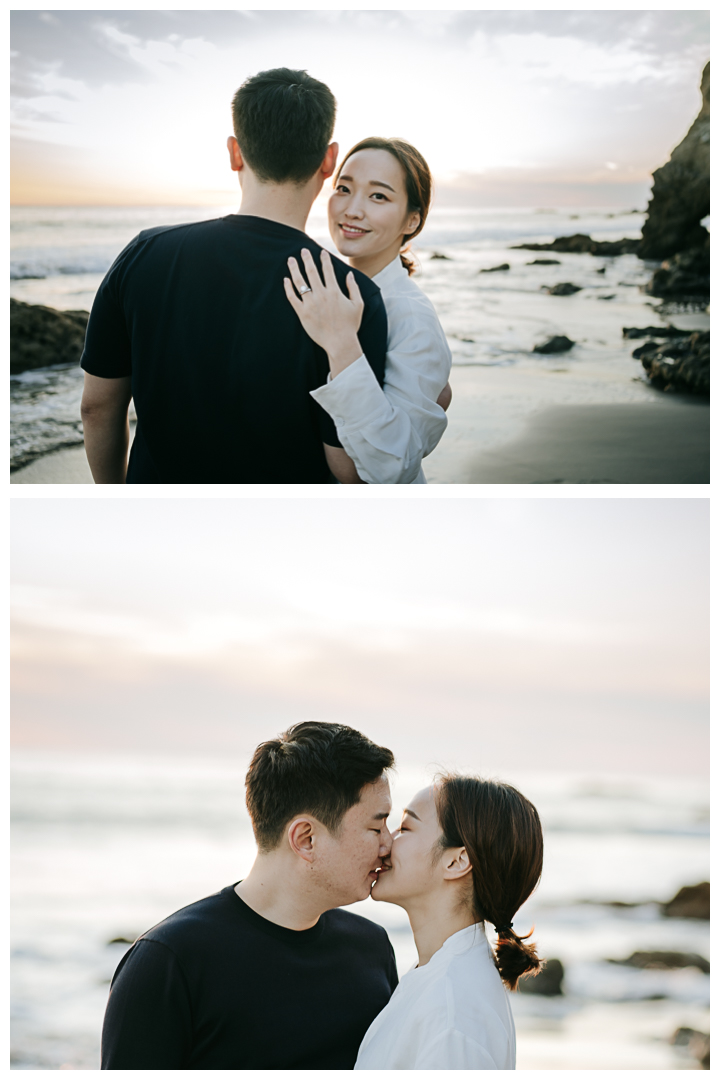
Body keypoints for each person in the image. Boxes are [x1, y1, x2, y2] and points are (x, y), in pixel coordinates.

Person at [79, 68, 388, 484]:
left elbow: (97, 407)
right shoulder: (351, 296)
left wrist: (116, 501)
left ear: (234, 153)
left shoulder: (143, 253)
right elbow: (346, 468)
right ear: (329, 160)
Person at [101, 722, 398, 1069]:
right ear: (306, 839)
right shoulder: (169, 962)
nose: (388, 844)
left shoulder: (371, 948)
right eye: (376, 827)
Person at [285, 137, 453, 484]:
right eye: (344, 188)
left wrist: (342, 344)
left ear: (412, 221)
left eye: (379, 196)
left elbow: (394, 467)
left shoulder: (409, 315)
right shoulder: (327, 291)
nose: (352, 209)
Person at [354, 774, 544, 1069]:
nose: (387, 840)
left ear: (457, 862)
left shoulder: (451, 1012)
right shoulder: (443, 978)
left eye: (406, 827)